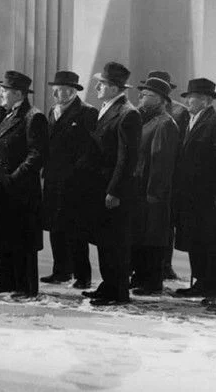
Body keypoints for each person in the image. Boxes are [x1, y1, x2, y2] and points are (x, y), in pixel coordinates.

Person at [0, 70, 48, 300]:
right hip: (2, 188)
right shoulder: (5, 114)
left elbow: (37, 155)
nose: (0, 94)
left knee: (22, 240)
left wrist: (15, 178)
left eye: (4, 90)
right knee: (3, 236)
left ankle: (26, 288)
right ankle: (6, 281)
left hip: (20, 191)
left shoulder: (33, 117)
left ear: (18, 94)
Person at [173, 78, 216, 308]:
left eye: (193, 98)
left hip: (210, 197)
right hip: (192, 196)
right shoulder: (190, 121)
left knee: (212, 244)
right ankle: (200, 283)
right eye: (188, 97)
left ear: (206, 100)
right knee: (196, 240)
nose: (188, 101)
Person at [82, 62, 141, 306]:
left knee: (116, 243)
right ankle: (108, 286)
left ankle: (118, 293)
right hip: (101, 186)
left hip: (113, 190)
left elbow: (127, 159)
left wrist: (114, 191)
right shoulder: (107, 108)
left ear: (115, 88)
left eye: (102, 84)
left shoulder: (128, 114)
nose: (97, 87)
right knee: (105, 241)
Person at [40, 71, 100, 290]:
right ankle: (61, 271)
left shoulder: (87, 112)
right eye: (55, 89)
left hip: (75, 181)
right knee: (55, 226)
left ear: (73, 91)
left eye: (63, 90)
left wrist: (77, 173)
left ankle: (83, 276)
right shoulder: (52, 111)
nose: (57, 94)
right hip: (53, 178)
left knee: (76, 229)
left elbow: (91, 148)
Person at [129, 75, 180, 295]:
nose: (141, 98)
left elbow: (161, 162)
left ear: (160, 99)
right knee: (142, 235)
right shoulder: (148, 120)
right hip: (141, 189)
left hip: (153, 192)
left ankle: (152, 283)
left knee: (153, 238)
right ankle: (140, 277)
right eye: (141, 94)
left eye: (146, 95)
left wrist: (154, 193)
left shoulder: (164, 123)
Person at [143, 70, 189, 281]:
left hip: (169, 174)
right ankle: (148, 268)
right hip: (147, 173)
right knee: (150, 224)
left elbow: (181, 146)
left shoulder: (179, 112)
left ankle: (165, 266)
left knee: (165, 224)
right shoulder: (143, 110)